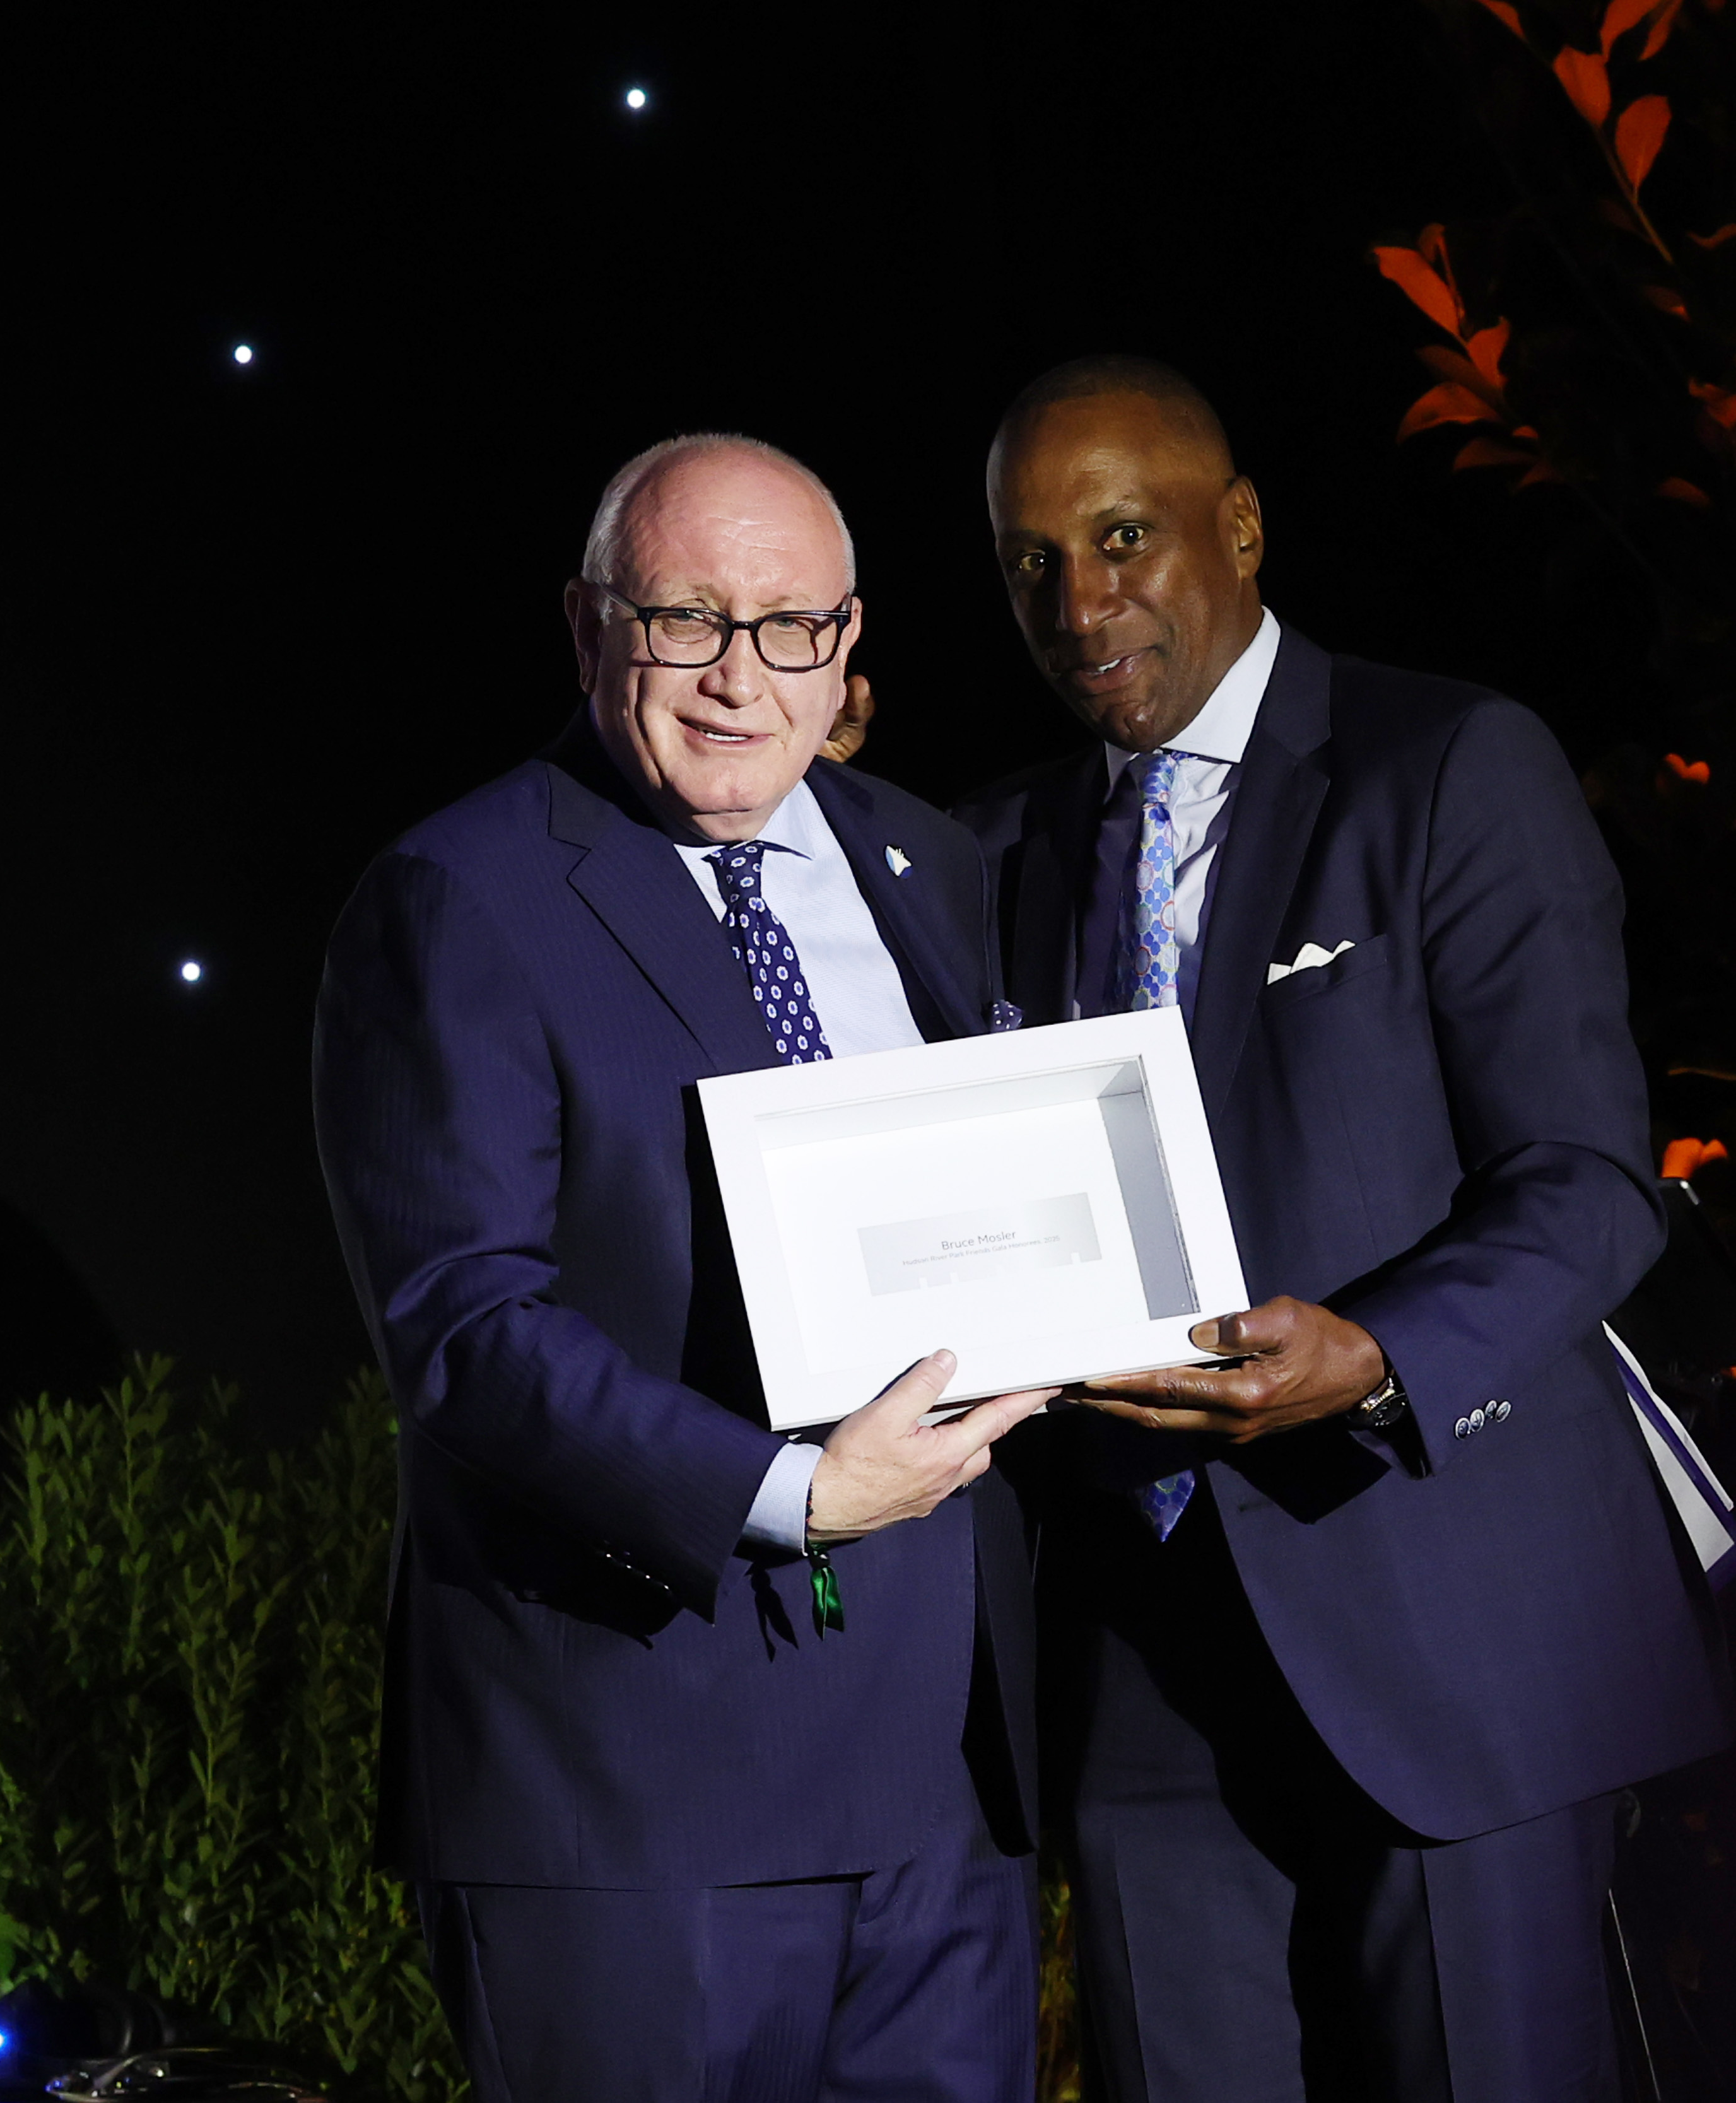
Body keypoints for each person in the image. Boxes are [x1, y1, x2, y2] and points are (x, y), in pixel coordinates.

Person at [956, 358, 1730, 2102]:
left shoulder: (1449, 766)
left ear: (1237, 527)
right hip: (1143, 1661)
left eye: (1123, 536)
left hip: (1444, 1621)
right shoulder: (988, 850)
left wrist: (1380, 1357)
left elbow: (1591, 1178)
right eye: (1028, 564)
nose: (1080, 603)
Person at [314, 433, 1049, 2103]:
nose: (740, 677)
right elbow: (463, 1331)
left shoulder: (937, 867)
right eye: (687, 620)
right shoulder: (458, 898)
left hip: (941, 1788)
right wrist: (788, 1493)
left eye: (790, 626)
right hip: (632, 1790)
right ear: (591, 632)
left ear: (848, 646)